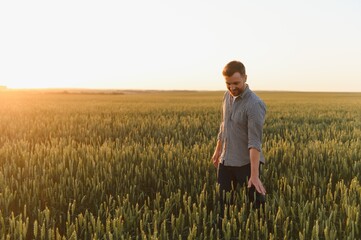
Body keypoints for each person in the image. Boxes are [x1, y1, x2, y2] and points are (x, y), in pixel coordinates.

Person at [212, 60, 266, 225]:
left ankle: (256, 232)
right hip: (226, 161)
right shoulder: (226, 96)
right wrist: (217, 151)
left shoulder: (254, 104)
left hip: (245, 164)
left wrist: (254, 175)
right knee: (222, 205)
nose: (232, 88)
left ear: (245, 78)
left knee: (256, 209)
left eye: (236, 83)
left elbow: (254, 141)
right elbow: (224, 126)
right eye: (228, 84)